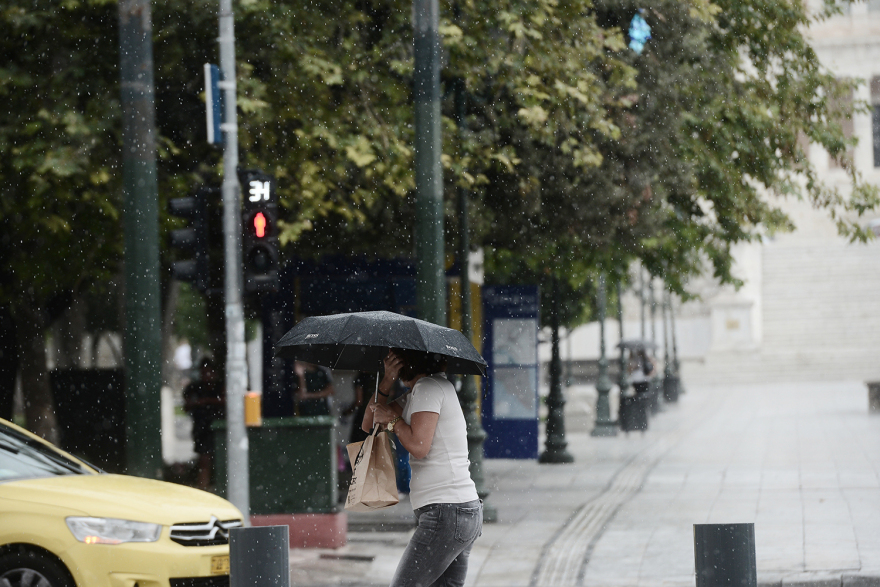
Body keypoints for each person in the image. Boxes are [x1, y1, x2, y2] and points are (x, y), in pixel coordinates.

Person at [364, 348, 482, 587]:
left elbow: (419, 446)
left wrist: (394, 422)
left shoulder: (429, 388)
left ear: (407, 362)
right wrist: (386, 380)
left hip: (447, 512)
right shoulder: (420, 393)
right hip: (458, 511)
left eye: (395, 360)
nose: (391, 364)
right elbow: (369, 423)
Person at [183, 358, 225, 489]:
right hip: (202, 427)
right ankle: (204, 487)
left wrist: (207, 401)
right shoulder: (194, 388)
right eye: (204, 372)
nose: (207, 376)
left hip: (220, 427)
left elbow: (225, 400)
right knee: (204, 461)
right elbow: (187, 405)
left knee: (222, 460)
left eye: (209, 372)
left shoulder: (220, 386)